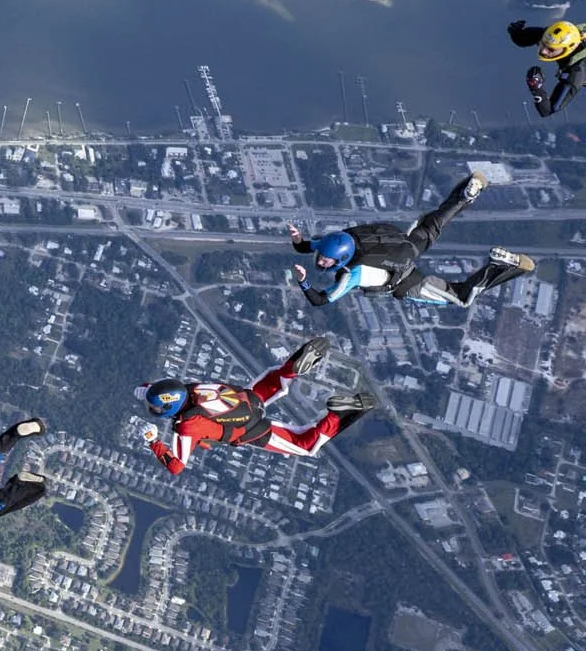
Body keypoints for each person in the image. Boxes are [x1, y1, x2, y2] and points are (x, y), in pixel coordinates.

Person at [289, 172, 534, 308]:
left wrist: (303, 282)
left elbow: (320, 300)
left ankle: (505, 266)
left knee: (461, 299)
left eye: (325, 261)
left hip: (407, 283)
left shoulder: (350, 274)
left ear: (341, 259)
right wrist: (298, 239)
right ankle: (468, 192)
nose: (320, 262)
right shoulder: (338, 240)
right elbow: (305, 247)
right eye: (322, 258)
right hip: (406, 244)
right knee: (434, 223)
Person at [138, 337, 375, 476]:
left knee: (305, 445)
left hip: (250, 429)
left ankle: (338, 415)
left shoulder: (186, 427)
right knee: (275, 381)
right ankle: (292, 368)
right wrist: (144, 391)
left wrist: (153, 442)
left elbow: (176, 466)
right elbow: (158, 391)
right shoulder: (187, 388)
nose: (155, 411)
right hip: (247, 399)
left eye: (157, 409)